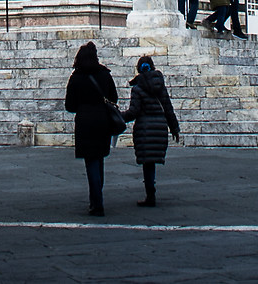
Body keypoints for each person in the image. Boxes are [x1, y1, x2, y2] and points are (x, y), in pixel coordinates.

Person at [64, 41, 123, 216]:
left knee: (91, 161)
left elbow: (70, 105)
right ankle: (97, 197)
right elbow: (114, 97)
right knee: (99, 158)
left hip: (85, 122)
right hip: (103, 120)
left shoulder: (76, 77)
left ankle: (96, 202)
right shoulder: (104, 74)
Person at [124, 54, 181, 206]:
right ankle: (151, 193)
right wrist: (174, 128)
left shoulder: (137, 89)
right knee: (151, 162)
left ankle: (150, 195)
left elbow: (134, 112)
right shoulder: (160, 85)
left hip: (144, 129)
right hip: (160, 128)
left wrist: (119, 117)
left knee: (147, 163)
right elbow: (168, 108)